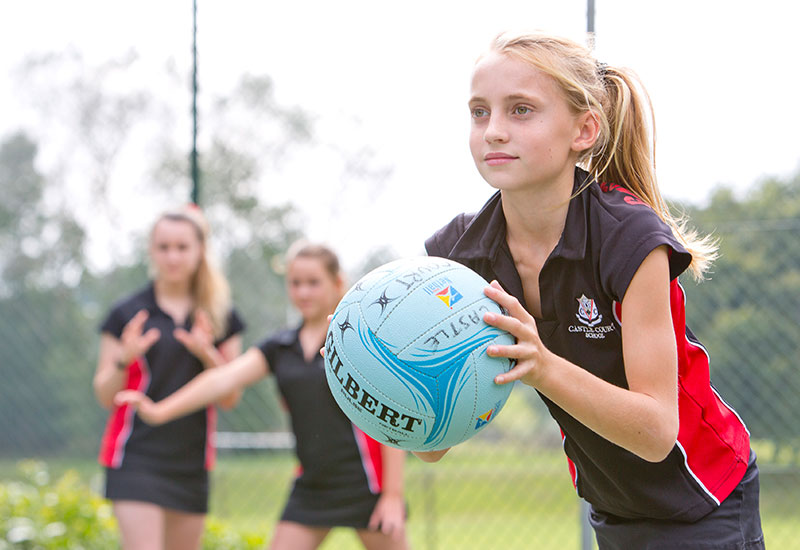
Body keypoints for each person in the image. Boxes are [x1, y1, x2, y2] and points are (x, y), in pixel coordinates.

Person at [420, 31, 764, 549]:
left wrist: (542, 365)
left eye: (520, 111)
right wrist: (370, 368)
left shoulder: (631, 238)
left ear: (584, 129)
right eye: (478, 112)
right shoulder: (461, 255)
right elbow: (431, 448)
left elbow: (655, 433)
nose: (492, 131)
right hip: (612, 507)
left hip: (704, 497)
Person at [115, 242, 410, 550]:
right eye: (296, 283)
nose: (303, 292)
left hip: (367, 486)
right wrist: (160, 410)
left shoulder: (358, 340)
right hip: (312, 487)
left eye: (313, 283)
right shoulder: (280, 347)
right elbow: (222, 378)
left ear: (337, 283)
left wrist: (392, 495)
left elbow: (389, 419)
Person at [93, 205, 245, 550]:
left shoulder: (221, 316)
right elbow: (104, 396)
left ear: (200, 250)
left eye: (182, 247)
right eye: (163, 247)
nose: (172, 256)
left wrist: (207, 353)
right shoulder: (126, 313)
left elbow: (230, 398)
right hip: (135, 456)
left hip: (190, 462)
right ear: (151, 250)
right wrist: (124, 359)